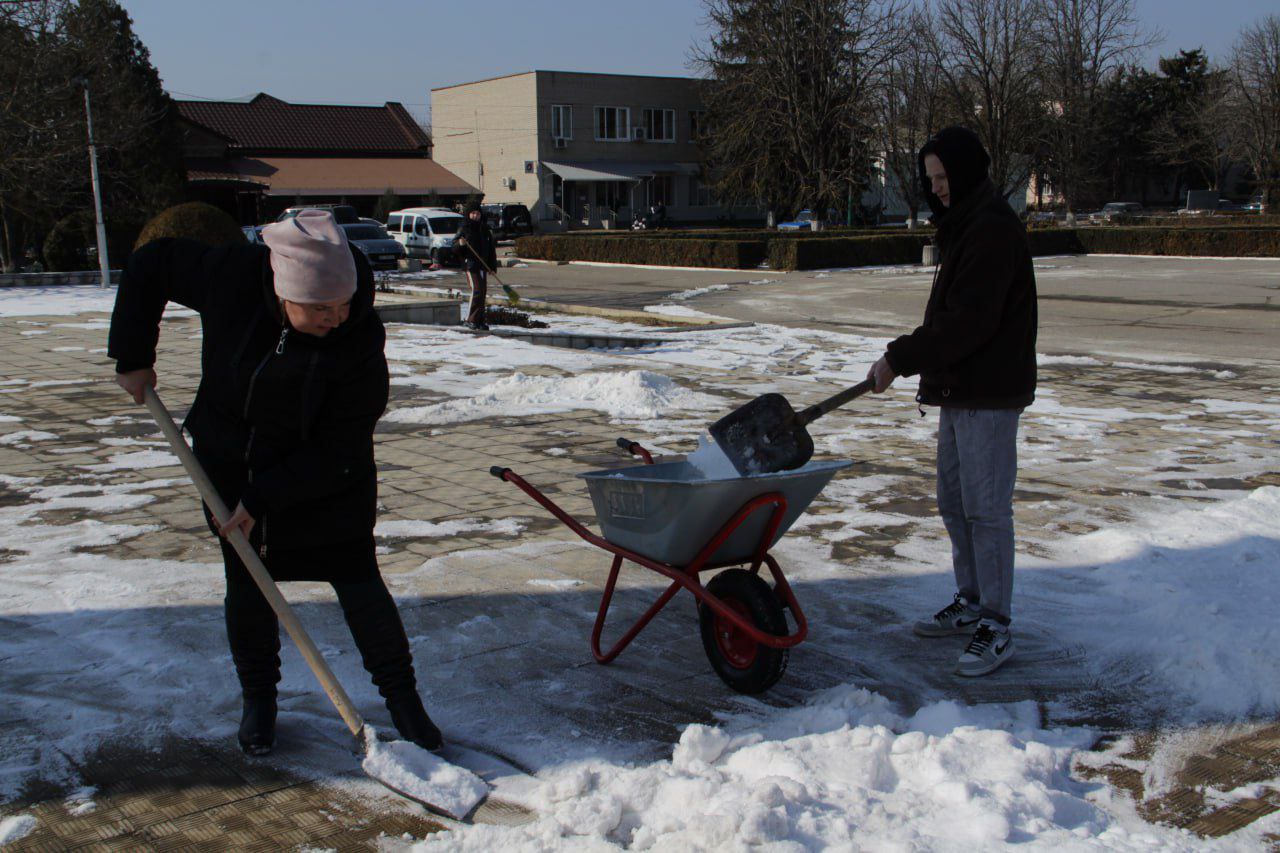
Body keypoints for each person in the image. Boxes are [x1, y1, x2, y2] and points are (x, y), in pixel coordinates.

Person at [108, 210, 443, 754]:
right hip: (231, 460)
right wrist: (132, 355)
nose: (335, 317)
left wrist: (264, 498)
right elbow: (151, 263)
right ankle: (259, 702)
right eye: (317, 308)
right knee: (248, 584)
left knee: (358, 579)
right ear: (283, 290)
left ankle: (404, 702)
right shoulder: (232, 276)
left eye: (342, 305)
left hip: (328, 475)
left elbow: (342, 445)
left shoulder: (359, 336)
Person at [866, 126, 1038, 677]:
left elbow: (968, 323)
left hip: (987, 393)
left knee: (986, 510)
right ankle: (970, 601)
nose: (936, 188)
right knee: (953, 499)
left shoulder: (990, 230)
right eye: (931, 178)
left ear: (964, 173)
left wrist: (900, 357)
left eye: (942, 177)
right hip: (960, 389)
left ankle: (997, 623)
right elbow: (951, 319)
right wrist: (918, 358)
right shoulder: (967, 224)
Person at [454, 201, 497, 330]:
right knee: (477, 290)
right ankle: (470, 319)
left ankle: (479, 320)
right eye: (473, 213)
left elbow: (490, 250)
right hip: (471, 265)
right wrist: (460, 244)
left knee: (483, 292)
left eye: (477, 213)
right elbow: (454, 246)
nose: (475, 215)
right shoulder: (464, 228)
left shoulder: (484, 229)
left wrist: (492, 267)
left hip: (483, 266)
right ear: (468, 214)